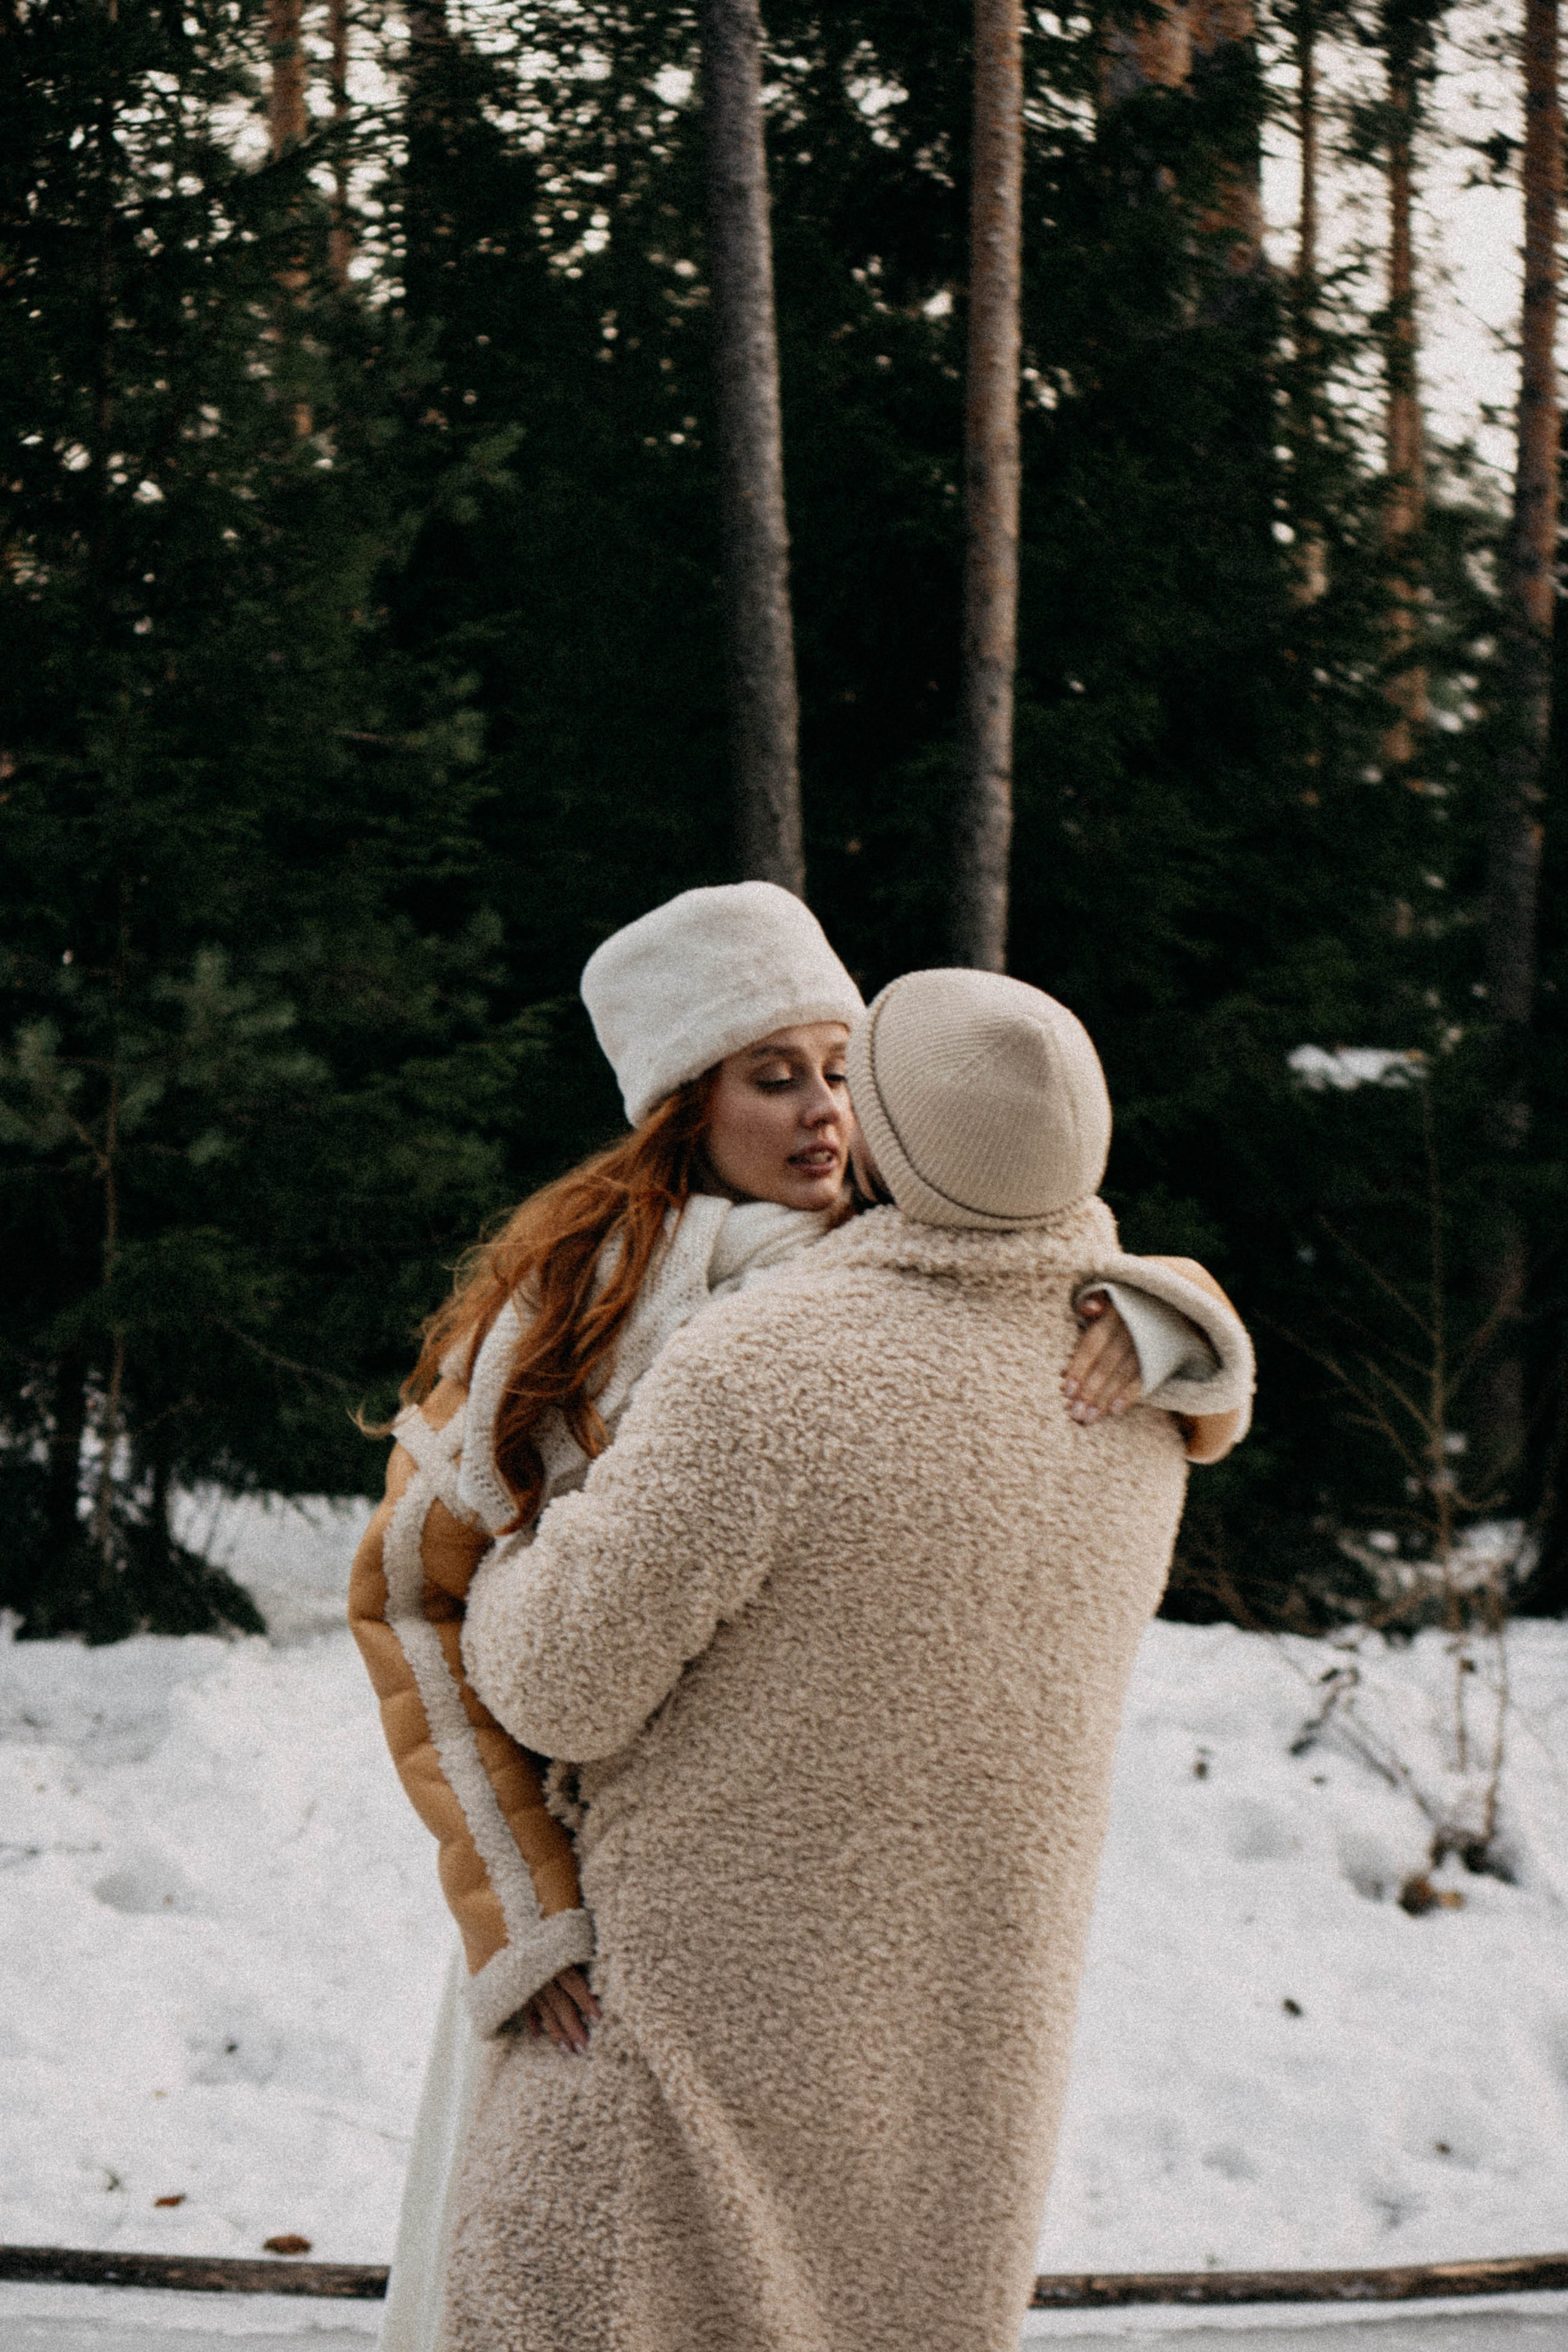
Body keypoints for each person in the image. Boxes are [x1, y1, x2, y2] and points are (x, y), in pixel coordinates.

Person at [348, 888, 1251, 2351]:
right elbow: (409, 1600)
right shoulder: (566, 1309)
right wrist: (521, 1911)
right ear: (679, 1106)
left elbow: (1093, 1277)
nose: (824, 1114)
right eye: (774, 1078)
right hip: (590, 1928)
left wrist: (1165, 1321)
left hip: (831, 1958)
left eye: (841, 1071)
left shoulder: (897, 1263)